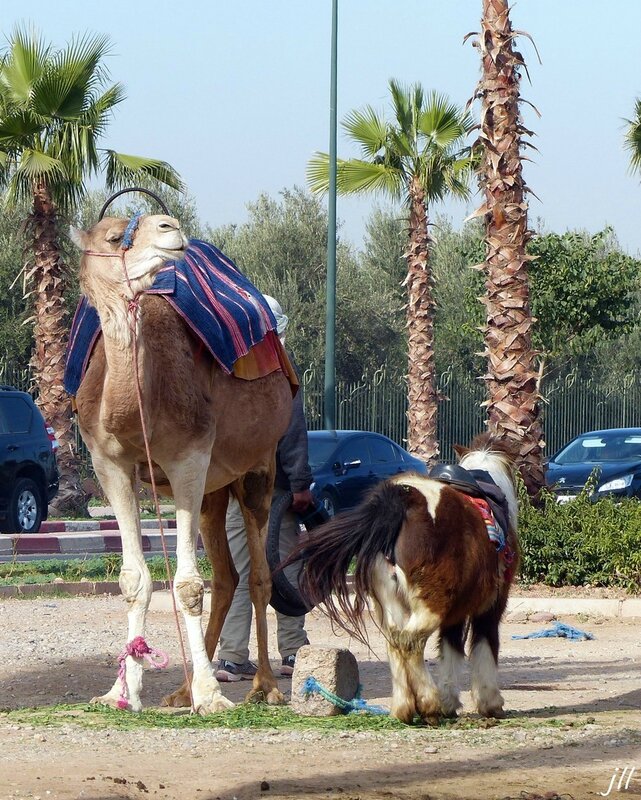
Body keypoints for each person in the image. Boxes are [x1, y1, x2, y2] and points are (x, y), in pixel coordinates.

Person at [216, 295, 315, 681]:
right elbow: (292, 434)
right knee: (285, 570)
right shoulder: (279, 377)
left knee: (239, 572)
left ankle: (231, 657)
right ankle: (292, 652)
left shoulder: (225, 375)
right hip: (275, 497)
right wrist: (302, 485)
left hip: (232, 489)